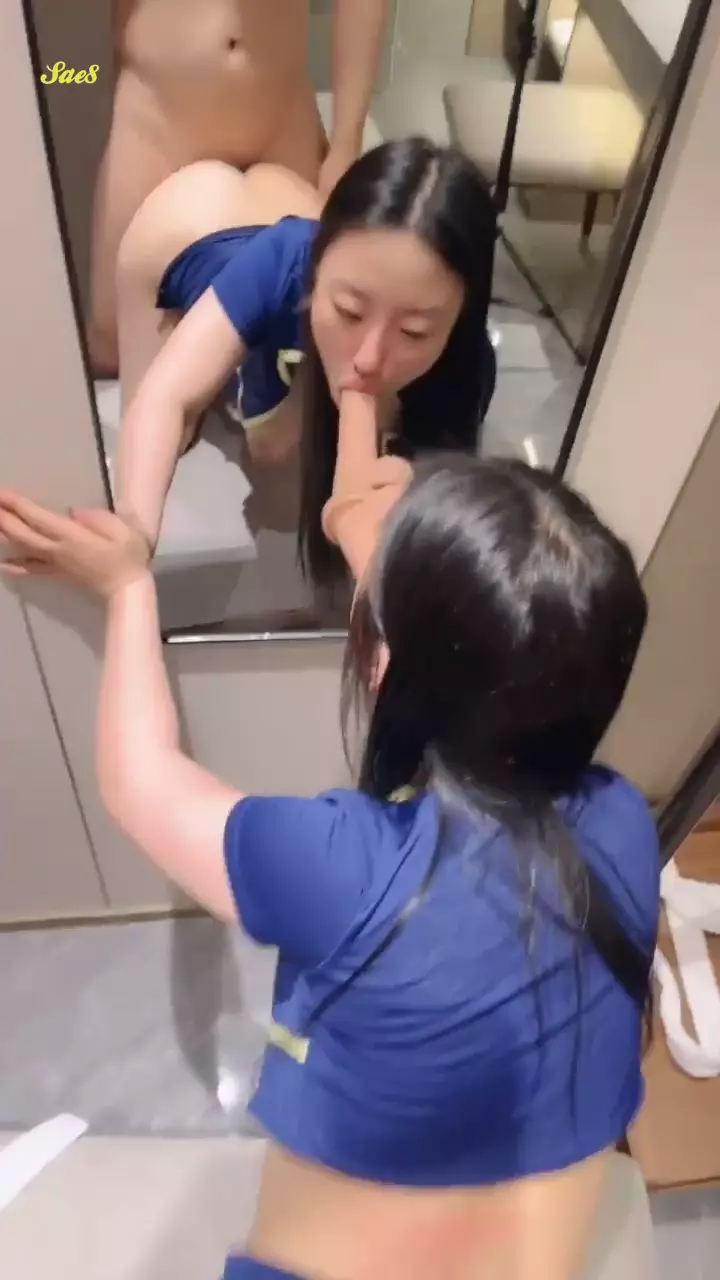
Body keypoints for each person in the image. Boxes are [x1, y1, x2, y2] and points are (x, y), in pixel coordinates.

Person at [0, 387, 659, 1280]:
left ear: (385, 663)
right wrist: (356, 428)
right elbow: (482, 637)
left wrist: (126, 588)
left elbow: (138, 778)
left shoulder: (343, 867)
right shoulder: (622, 822)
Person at [112, 137, 498, 590]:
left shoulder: (468, 365)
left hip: (285, 199)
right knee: (182, 441)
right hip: (184, 230)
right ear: (315, 275)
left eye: (413, 332)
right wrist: (133, 543)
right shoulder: (283, 267)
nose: (369, 358)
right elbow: (167, 398)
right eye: (350, 312)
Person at [89, 0, 390, 375]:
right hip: (157, 118)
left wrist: (345, 145)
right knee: (110, 342)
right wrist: (72, 76)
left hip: (280, 121)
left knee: (313, 333)